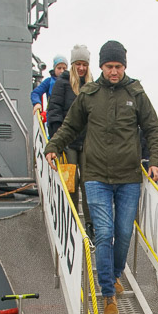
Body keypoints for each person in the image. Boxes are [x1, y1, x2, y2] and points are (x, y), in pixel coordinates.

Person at [43, 40, 158, 314]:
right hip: (96, 176)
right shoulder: (88, 94)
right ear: (101, 66)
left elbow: (152, 129)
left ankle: (115, 272)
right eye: (109, 67)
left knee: (123, 234)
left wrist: (156, 161)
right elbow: (70, 125)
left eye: (118, 66)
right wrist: (54, 146)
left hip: (129, 177)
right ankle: (108, 293)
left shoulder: (136, 93)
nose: (114, 72)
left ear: (125, 66)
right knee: (104, 234)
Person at [47, 44, 92, 209]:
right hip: (68, 141)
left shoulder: (91, 86)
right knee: (70, 181)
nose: (81, 68)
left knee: (89, 182)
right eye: (78, 64)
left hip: (87, 141)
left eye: (84, 64)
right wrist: (57, 141)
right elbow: (54, 111)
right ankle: (72, 218)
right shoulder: (62, 83)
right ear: (73, 64)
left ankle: (89, 222)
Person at [31, 55, 66, 119]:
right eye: (59, 68)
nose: (62, 71)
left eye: (64, 68)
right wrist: (37, 103)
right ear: (54, 68)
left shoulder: (71, 82)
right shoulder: (49, 81)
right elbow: (35, 92)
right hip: (52, 116)